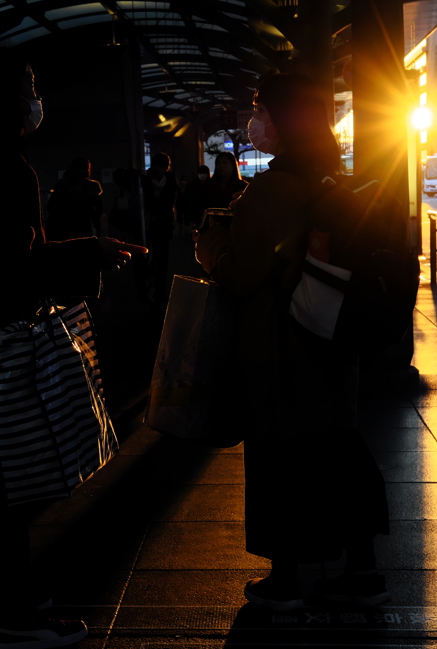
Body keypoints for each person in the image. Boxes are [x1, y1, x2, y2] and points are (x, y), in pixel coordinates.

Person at [0, 47, 147, 649]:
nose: (35, 99)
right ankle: (18, 618)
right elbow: (12, 266)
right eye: (28, 88)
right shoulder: (9, 171)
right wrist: (88, 252)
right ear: (8, 105)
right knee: (10, 482)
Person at [194, 72, 390, 610]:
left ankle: (285, 578)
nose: (257, 121)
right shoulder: (330, 181)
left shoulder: (272, 190)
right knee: (337, 449)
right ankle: (362, 569)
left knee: (280, 457)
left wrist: (210, 246)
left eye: (262, 110)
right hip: (329, 341)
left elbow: (240, 274)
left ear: (284, 122)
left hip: (280, 351)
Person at [141, 153, 178, 307]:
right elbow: (171, 200)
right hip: (159, 224)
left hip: (152, 225)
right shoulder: (170, 179)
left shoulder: (144, 179)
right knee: (160, 259)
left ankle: (154, 290)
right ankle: (158, 290)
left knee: (154, 258)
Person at [45, 156, 103, 241]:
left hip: (63, 226)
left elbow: (51, 207)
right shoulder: (91, 187)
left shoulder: (63, 185)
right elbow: (97, 210)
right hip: (82, 225)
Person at [180, 164, 211, 232]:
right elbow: (187, 202)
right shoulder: (192, 185)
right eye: (200, 173)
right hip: (195, 216)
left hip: (208, 217)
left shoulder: (211, 185)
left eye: (204, 173)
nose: (202, 175)